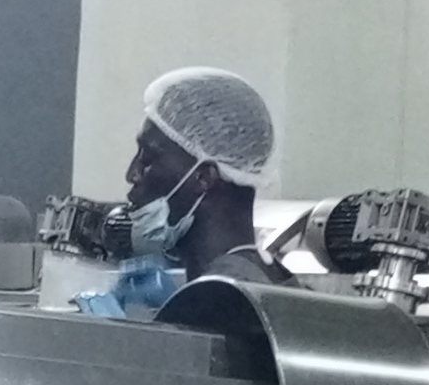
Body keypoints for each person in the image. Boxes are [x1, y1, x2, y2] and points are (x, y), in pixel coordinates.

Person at [71, 66, 278, 317]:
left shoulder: (224, 300)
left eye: (148, 159)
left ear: (203, 177)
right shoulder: (269, 276)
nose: (132, 174)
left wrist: (114, 335)